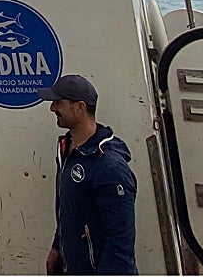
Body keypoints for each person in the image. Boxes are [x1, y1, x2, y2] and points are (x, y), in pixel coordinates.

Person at [38, 74, 137, 275]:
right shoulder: (68, 152)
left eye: (59, 103)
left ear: (80, 107)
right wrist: (58, 247)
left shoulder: (109, 166)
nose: (52, 109)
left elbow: (120, 241)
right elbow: (71, 211)